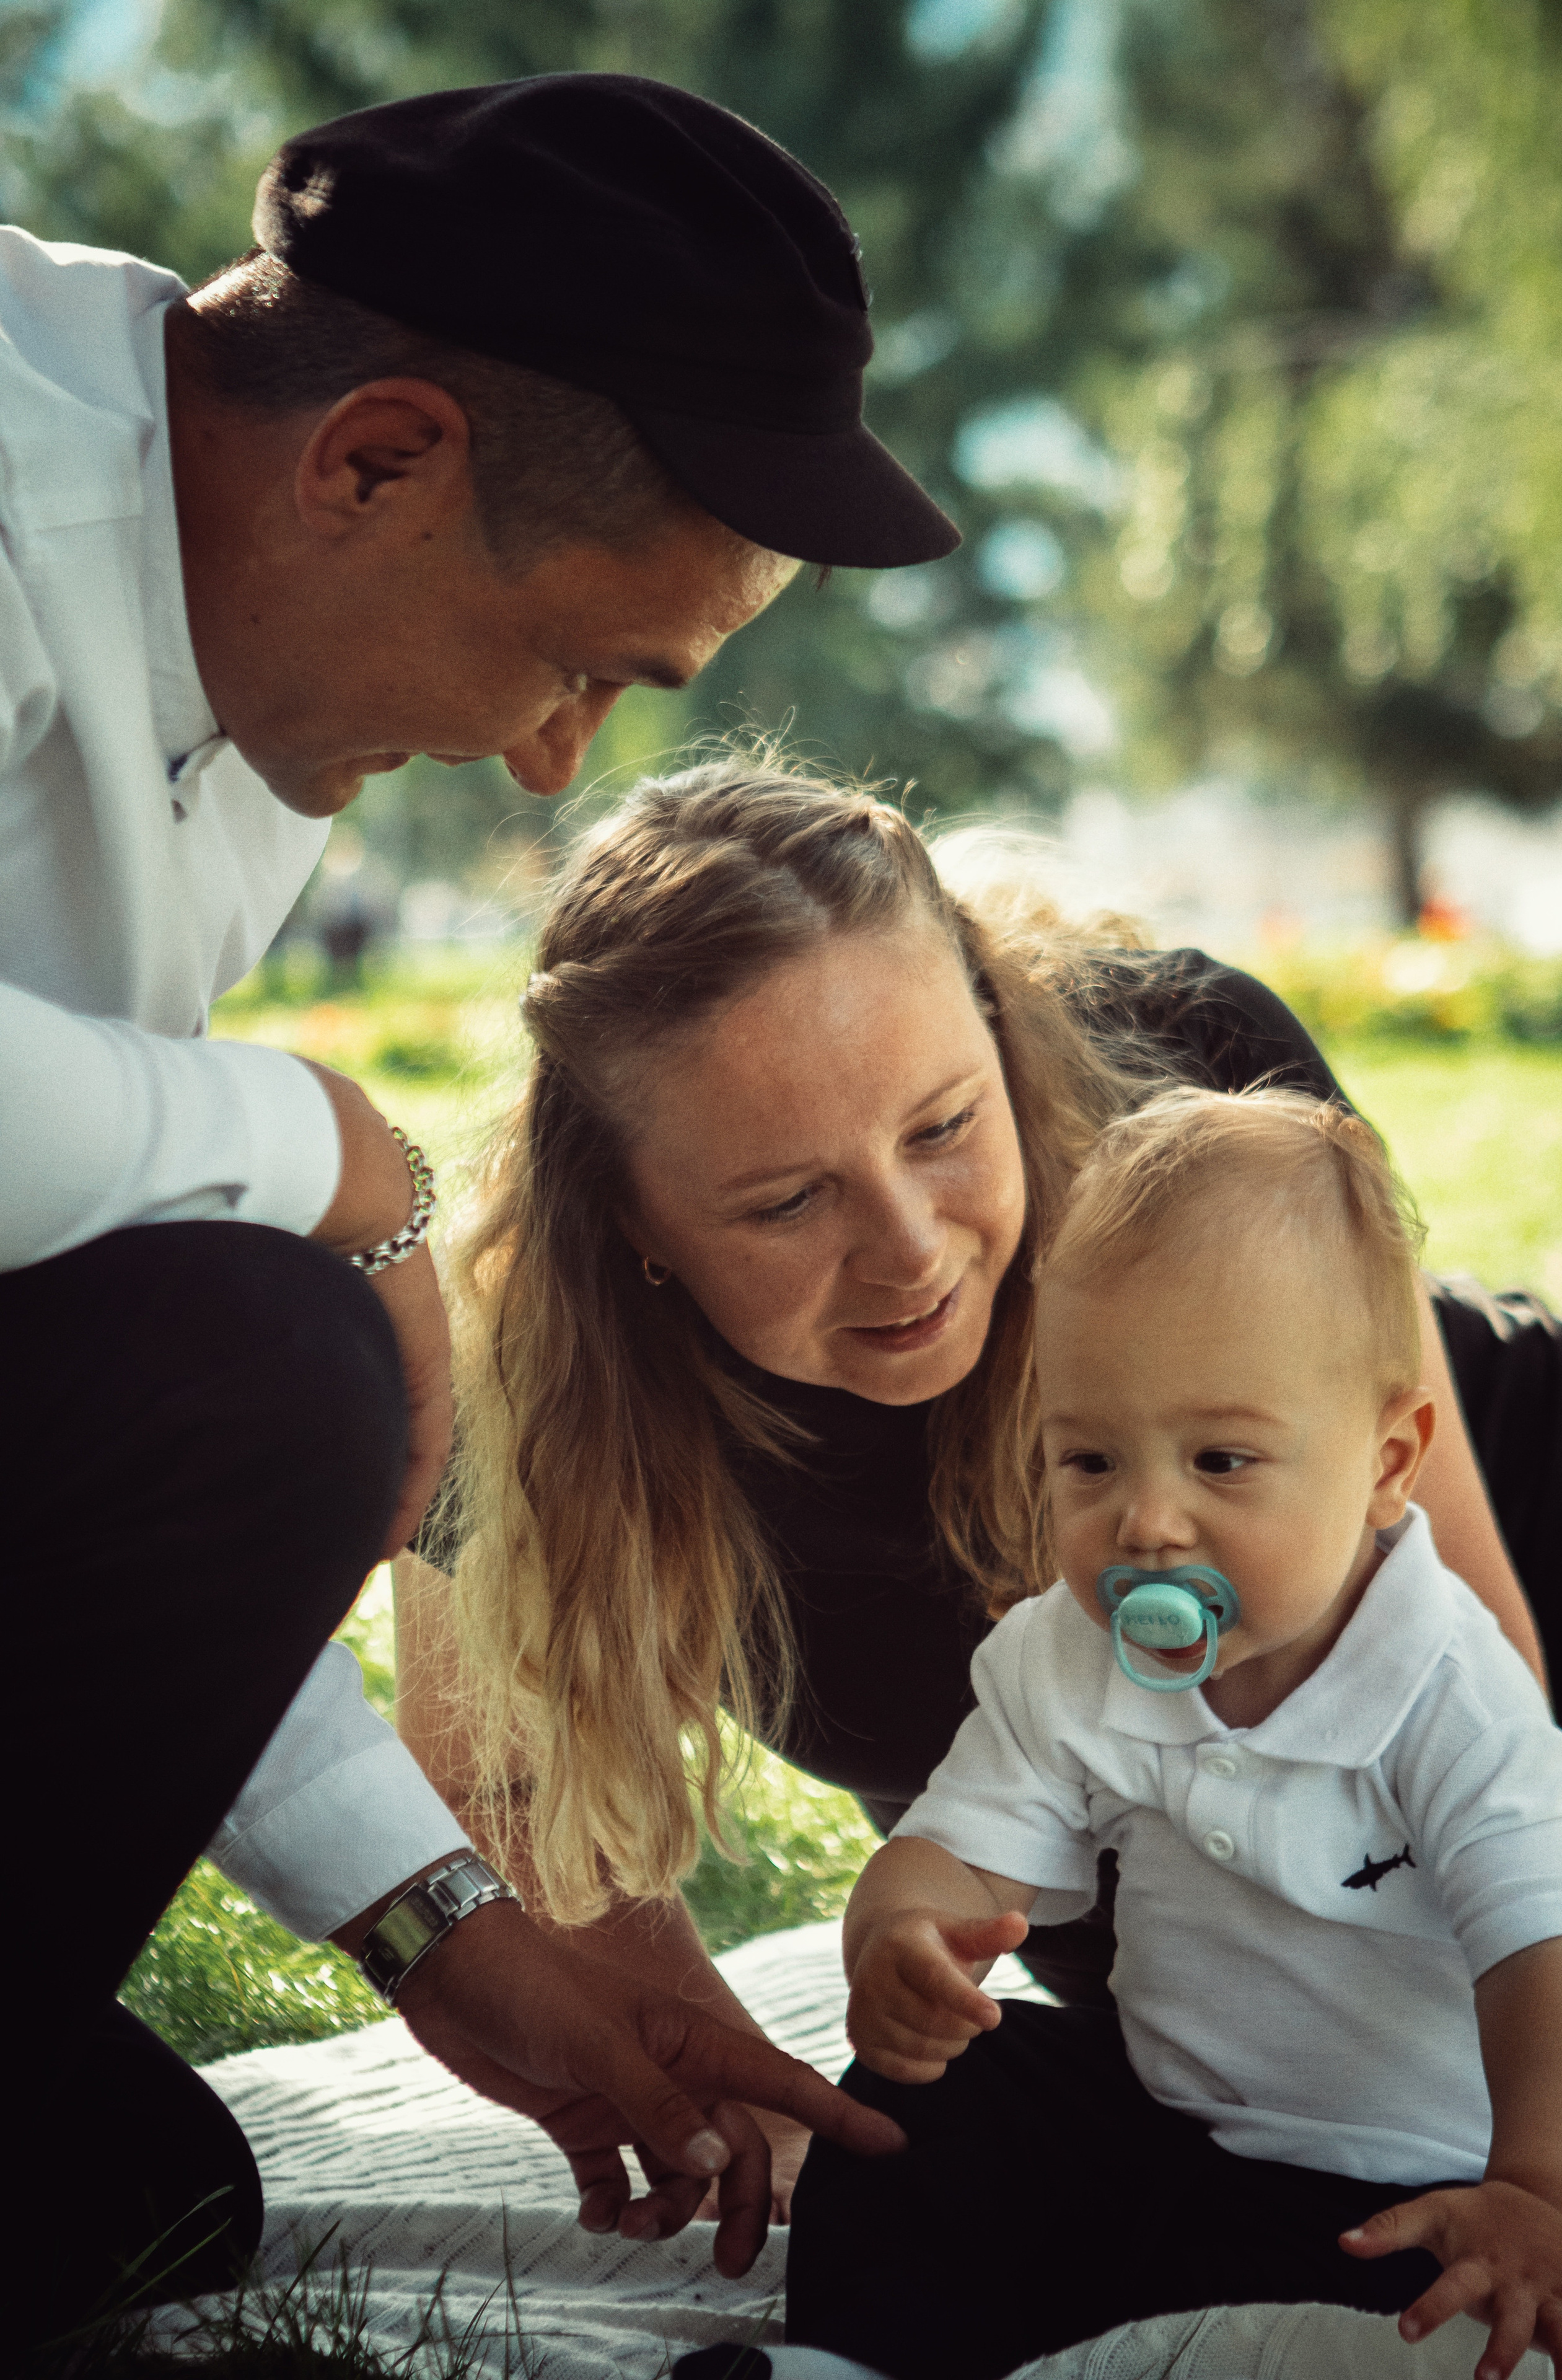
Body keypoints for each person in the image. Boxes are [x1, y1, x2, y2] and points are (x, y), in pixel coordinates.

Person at [4, 76, 957, 2342]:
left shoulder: (249, 692)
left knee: (138, 2198)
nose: (554, 766)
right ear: (374, 461)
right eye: (579, 670)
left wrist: (450, 1932)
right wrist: (329, 1148)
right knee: (273, 1342)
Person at [398, 759, 1562, 2249]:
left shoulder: (1185, 1054)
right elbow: (494, 1793)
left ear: (995, 1024)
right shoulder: (523, 1401)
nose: (907, 1251)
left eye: (945, 1125)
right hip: (1226, 1989)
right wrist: (745, 2105)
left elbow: (1482, 1685)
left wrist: (1522, 2156)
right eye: (783, 1203)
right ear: (627, 1222)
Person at [777, 1088, 1562, 2380]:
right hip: (1168, 2132)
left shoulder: (1442, 1684)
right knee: (922, 2112)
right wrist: (900, 1938)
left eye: (1219, 1462)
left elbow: (1544, 1942)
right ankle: (852, 2360)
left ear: (1385, 1465)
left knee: (1495, 2315)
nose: (1146, 1526)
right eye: (1088, 1463)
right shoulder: (1067, 1650)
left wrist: (1541, 2188)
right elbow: (961, 1852)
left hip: (1422, 2191)